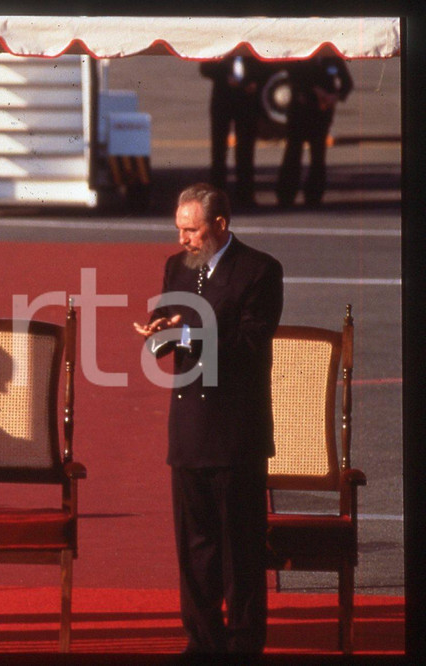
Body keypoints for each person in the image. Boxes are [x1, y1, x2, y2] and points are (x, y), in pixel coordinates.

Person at [134, 183, 283, 653]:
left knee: (240, 551)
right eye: (179, 229)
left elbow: (251, 343)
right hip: (190, 431)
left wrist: (188, 334)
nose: (183, 239)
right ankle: (201, 642)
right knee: (194, 549)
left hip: (236, 433)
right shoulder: (176, 267)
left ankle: (243, 646)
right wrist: (158, 332)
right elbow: (169, 324)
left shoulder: (260, 270)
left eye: (192, 231)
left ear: (220, 224)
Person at [276, 54, 353, 208]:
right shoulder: (303, 53)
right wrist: (315, 90)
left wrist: (335, 96)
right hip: (300, 112)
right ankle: (286, 195)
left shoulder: (332, 58)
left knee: (318, 155)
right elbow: (293, 75)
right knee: (293, 153)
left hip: (321, 113)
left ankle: (314, 196)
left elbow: (347, 83)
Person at [200, 55, 268, 208]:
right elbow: (205, 68)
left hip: (247, 100)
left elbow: (265, 66)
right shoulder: (220, 47)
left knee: (246, 150)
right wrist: (225, 77)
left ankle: (245, 195)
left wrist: (254, 81)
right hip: (223, 100)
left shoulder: (250, 49)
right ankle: (216, 196)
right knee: (219, 151)